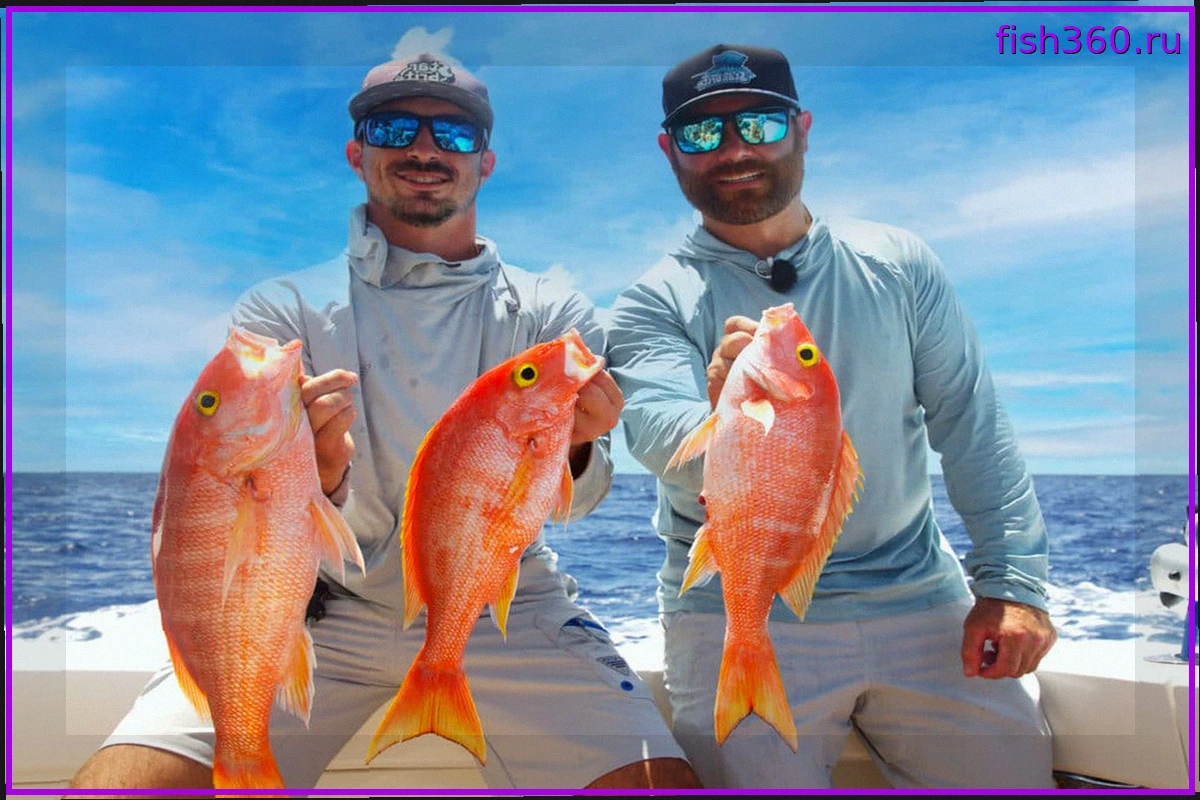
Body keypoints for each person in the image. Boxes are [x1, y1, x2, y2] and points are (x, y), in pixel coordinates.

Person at [69, 53, 700, 791]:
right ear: (356, 153)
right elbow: (245, 502)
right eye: (396, 128)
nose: (425, 149)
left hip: (503, 604)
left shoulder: (549, 315)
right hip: (316, 606)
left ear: (486, 163)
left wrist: (581, 446)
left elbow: (576, 504)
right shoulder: (282, 311)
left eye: (453, 134)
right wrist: (320, 481)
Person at [606, 44, 1057, 789]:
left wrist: (1012, 585)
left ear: (803, 128)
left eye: (760, 123)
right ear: (670, 150)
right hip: (737, 611)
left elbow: (971, 422)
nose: (735, 148)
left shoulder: (898, 263)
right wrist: (723, 419)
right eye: (703, 132)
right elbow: (658, 439)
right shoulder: (652, 300)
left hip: (919, 597)